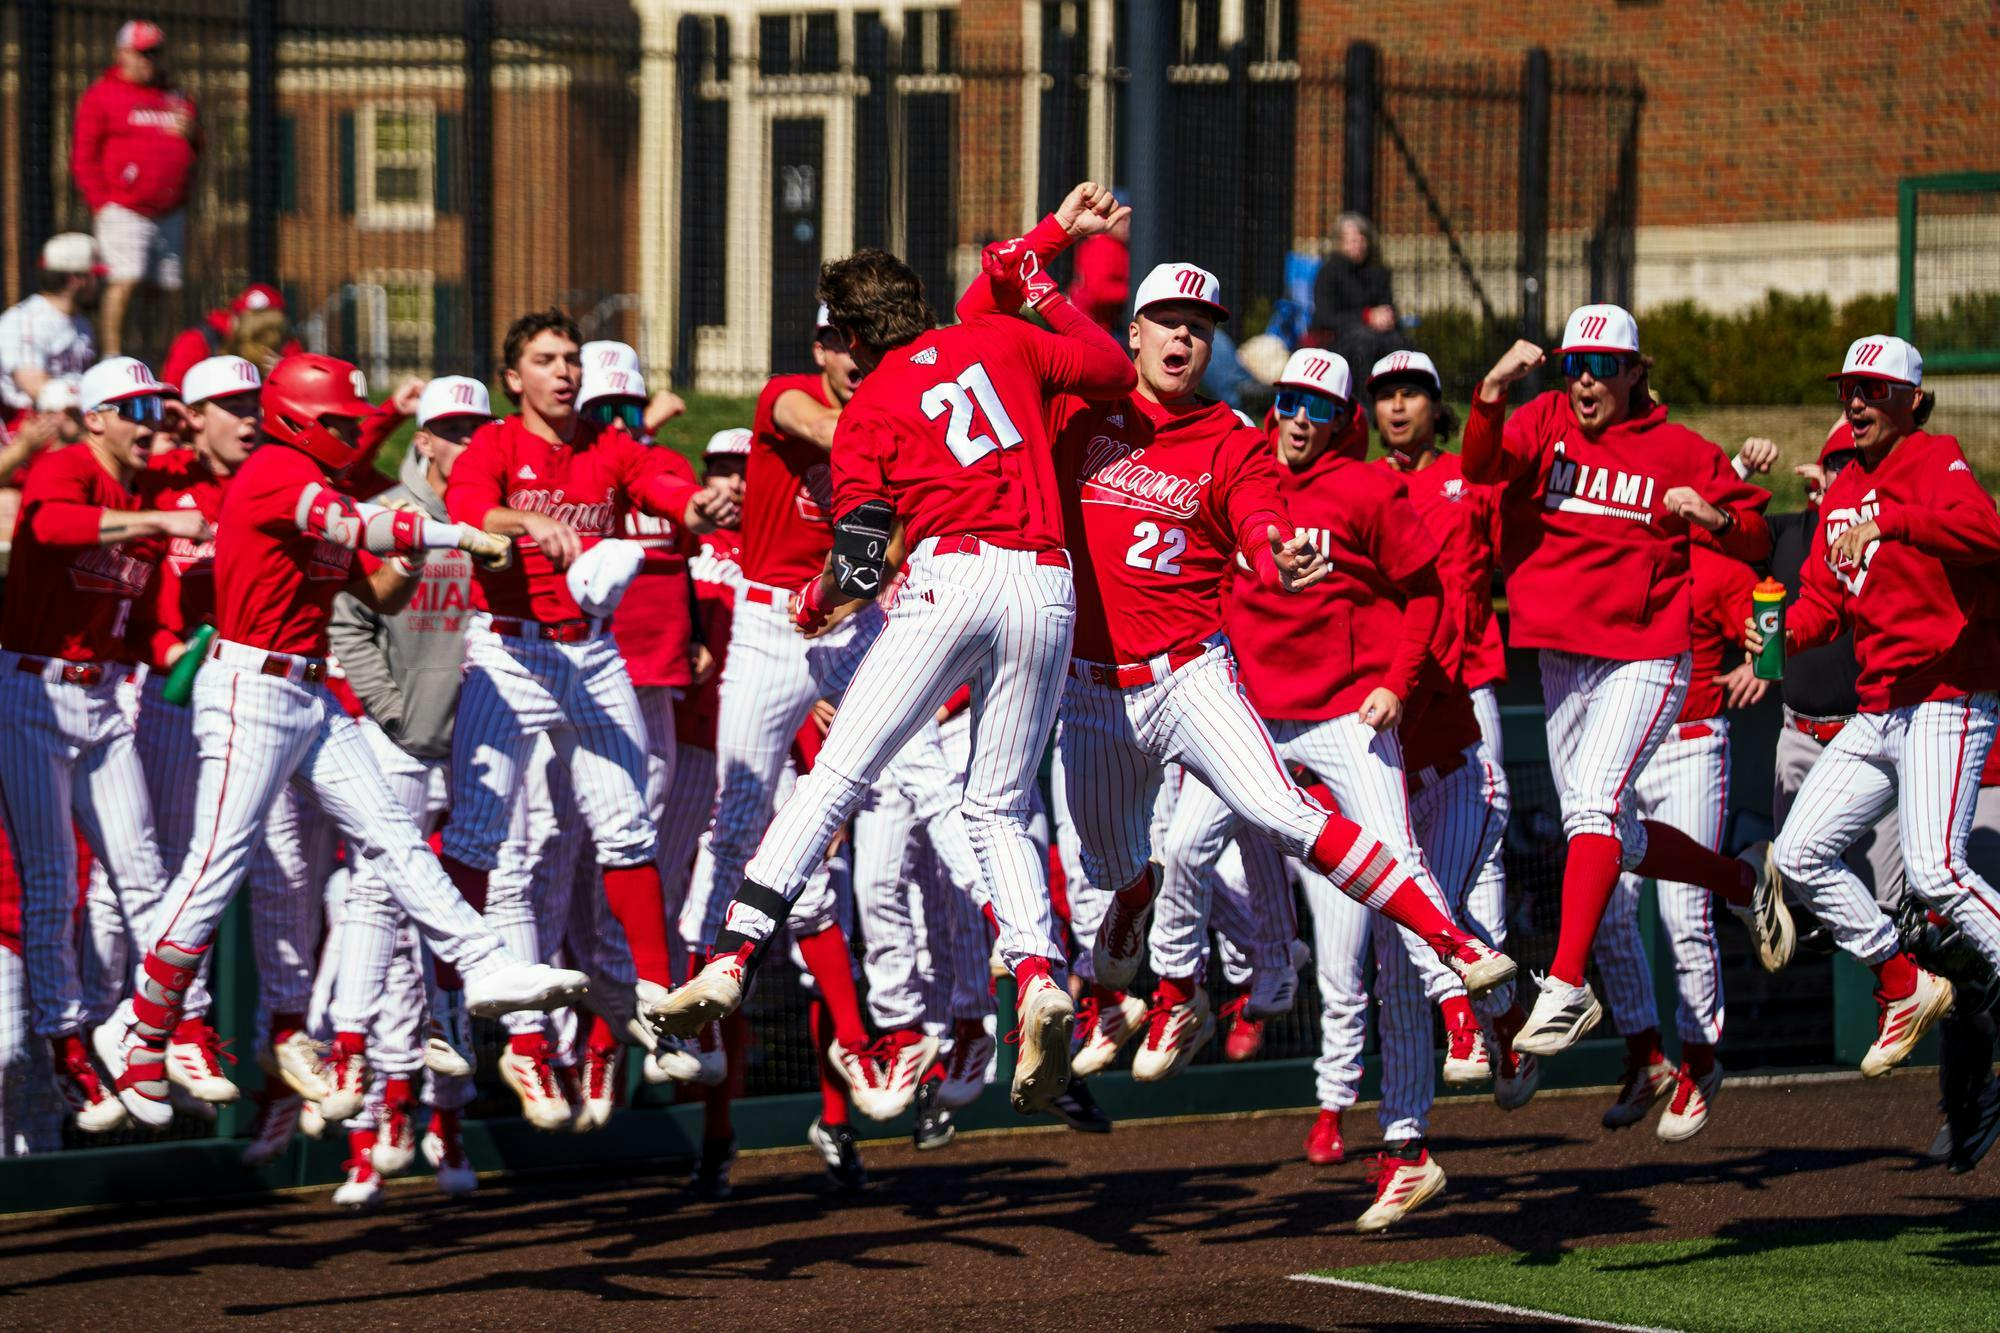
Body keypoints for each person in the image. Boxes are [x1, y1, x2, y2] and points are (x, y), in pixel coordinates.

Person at [657, 183, 1140, 1120]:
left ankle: (731, 954)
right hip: (1045, 580)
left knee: (836, 776)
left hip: (952, 577)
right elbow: (1114, 372)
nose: (833, 349)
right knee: (998, 805)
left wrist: (816, 604)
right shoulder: (995, 337)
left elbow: (863, 558)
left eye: (836, 334)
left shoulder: (871, 408)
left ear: (854, 334)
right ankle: (1039, 972)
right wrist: (1041, 277)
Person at [93, 352, 591, 1128]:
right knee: (216, 867)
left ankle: (484, 963)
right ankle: (141, 1023)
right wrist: (448, 525)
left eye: (351, 422)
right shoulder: (273, 468)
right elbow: (357, 524)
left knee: (396, 836)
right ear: (300, 418)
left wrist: (438, 546)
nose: (348, 432)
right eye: (336, 421)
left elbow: (371, 582)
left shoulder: (317, 481)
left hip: (307, 689)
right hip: (248, 687)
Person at [1464, 304, 1788, 1057]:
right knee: (1613, 832)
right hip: (1561, 655)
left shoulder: (1677, 448)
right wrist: (1491, 391)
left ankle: (1570, 986)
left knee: (1590, 807)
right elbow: (1481, 467)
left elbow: (1759, 535)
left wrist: (1711, 516)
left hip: (1648, 654)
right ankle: (1740, 882)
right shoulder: (1543, 419)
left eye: (1604, 366)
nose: (1585, 379)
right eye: (1576, 363)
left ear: (1636, 373)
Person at [1751, 334, 2000, 1078]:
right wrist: (1775, 634)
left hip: (1945, 693)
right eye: (1847, 390)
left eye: (1872, 389)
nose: (1855, 401)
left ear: (1911, 402)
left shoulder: (1935, 457)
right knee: (1797, 854)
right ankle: (1903, 985)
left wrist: (1894, 522)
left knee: (1935, 871)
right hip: (1881, 705)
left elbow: (1987, 533)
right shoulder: (1845, 494)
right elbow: (1825, 608)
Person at [0, 356, 207, 1132]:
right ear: (96, 418)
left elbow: (146, 620)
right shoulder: (65, 464)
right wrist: (157, 521)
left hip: (102, 694)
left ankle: (165, 1026)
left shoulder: (149, 489)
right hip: (30, 689)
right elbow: (50, 526)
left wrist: (176, 651)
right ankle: (65, 1042)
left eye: (156, 408)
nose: (149, 422)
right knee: (55, 885)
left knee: (144, 873)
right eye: (134, 409)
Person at [71, 20, 198, 358]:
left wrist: (192, 135)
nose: (149, 60)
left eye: (155, 53)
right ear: (122, 54)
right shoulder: (103, 94)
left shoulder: (174, 96)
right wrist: (101, 202)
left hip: (169, 209)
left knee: (169, 290)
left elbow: (197, 149)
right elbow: (84, 154)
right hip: (124, 206)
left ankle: (161, 359)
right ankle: (112, 356)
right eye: (142, 53)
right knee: (125, 279)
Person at [0, 235, 103, 428]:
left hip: (72, 423)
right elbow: (38, 390)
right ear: (76, 279)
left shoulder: (82, 323)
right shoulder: (24, 320)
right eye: (95, 276)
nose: (99, 283)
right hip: (27, 427)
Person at [1309, 213, 1402, 377]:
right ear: (1340, 243)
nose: (1357, 245)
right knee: (1364, 343)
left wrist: (1387, 317)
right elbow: (1325, 317)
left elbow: (1387, 305)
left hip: (1377, 334)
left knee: (1397, 342)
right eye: (1352, 240)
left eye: (1361, 239)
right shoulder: (1329, 272)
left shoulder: (1378, 272)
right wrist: (1367, 316)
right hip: (1340, 338)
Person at [161, 284, 294, 391]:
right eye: (249, 326)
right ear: (234, 319)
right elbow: (174, 392)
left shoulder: (287, 348)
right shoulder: (199, 341)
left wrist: (287, 375)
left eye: (268, 331)